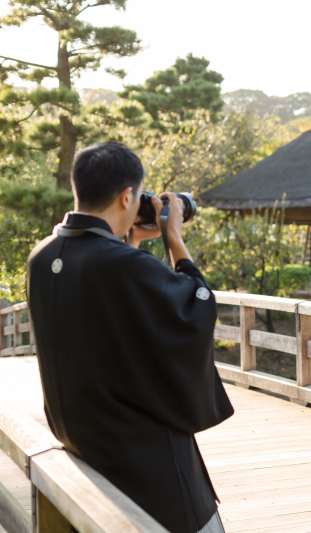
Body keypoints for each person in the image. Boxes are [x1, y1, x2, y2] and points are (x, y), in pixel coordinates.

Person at [26, 141, 234, 533]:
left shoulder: (42, 256)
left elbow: (114, 322)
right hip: (146, 466)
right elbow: (196, 309)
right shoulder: (121, 265)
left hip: (88, 451)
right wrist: (174, 239)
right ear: (127, 197)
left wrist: (132, 243)